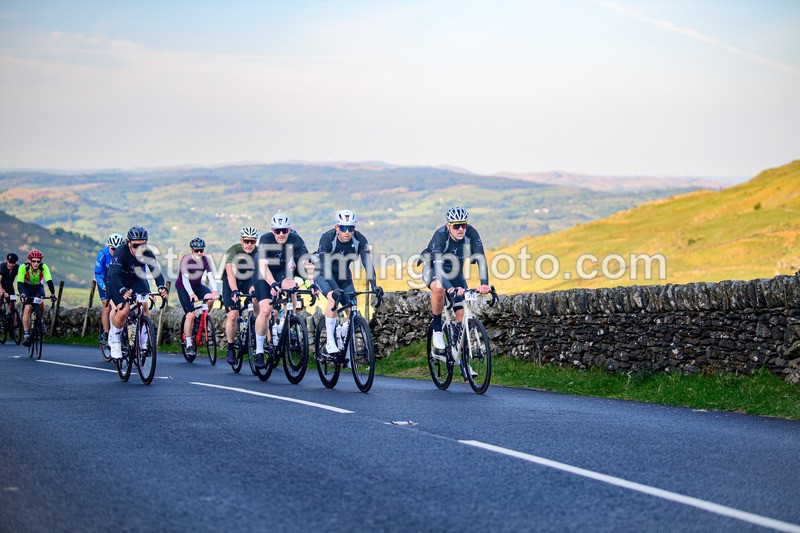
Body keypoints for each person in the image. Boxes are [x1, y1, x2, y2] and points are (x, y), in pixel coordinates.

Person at [420, 206, 490, 357]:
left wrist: (484, 283)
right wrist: (450, 289)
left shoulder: (471, 233)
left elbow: (480, 259)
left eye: (463, 225)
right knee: (439, 288)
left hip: (456, 274)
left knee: (463, 319)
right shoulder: (440, 236)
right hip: (433, 270)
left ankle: (463, 361)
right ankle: (438, 330)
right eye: (456, 226)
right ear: (448, 226)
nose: (460, 229)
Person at [314, 209, 383, 356]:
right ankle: (330, 342)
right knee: (333, 298)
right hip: (322, 274)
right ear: (336, 228)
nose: (347, 232)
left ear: (354, 229)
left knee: (351, 309)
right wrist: (334, 289)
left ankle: (344, 339)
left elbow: (367, 263)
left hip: (343, 275)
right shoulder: (327, 238)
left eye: (350, 228)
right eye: (343, 228)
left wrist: (375, 285)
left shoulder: (360, 240)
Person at [251, 214, 316, 367]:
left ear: (289, 229)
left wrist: (312, 284)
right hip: (263, 273)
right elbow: (263, 266)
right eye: (277, 230)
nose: (281, 234)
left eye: (284, 231)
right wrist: (273, 284)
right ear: (272, 230)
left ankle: (289, 321)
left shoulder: (296, 239)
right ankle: (259, 351)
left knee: (291, 286)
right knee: (266, 310)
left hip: (281, 270)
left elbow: (307, 262)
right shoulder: (266, 239)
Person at [106, 226, 169, 360]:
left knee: (144, 306)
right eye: (135, 245)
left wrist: (161, 287)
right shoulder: (121, 251)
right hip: (117, 281)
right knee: (124, 310)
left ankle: (143, 341)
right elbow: (115, 275)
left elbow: (156, 271)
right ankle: (115, 339)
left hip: (136, 279)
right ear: (129, 243)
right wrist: (122, 290)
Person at [176, 237, 219, 358]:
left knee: (210, 298)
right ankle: (189, 343)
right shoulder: (186, 260)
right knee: (190, 314)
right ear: (191, 250)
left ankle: (201, 320)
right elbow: (185, 280)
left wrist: (215, 291)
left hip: (197, 286)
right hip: (184, 288)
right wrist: (191, 294)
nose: (199, 253)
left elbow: (210, 276)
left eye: (201, 250)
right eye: (197, 250)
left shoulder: (205, 260)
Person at [222, 227, 259, 365]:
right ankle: (231, 347)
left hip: (248, 281)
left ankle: (255, 324)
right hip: (232, 281)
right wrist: (234, 291)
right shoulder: (234, 250)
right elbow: (230, 273)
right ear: (241, 241)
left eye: (252, 242)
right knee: (232, 316)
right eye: (247, 241)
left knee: (256, 296)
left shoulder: (258, 252)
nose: (249, 244)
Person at [15, 250, 57, 346]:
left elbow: (49, 281)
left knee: (41, 302)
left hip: (38, 287)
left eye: (38, 261)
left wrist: (53, 294)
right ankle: (26, 334)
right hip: (26, 288)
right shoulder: (23, 267)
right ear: (29, 260)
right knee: (27, 308)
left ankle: (40, 321)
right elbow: (20, 283)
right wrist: (22, 294)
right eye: (34, 261)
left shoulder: (43, 267)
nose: (36, 263)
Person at [95, 233, 125, 345]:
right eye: (113, 249)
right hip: (103, 281)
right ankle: (107, 334)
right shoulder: (102, 254)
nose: (115, 251)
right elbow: (97, 274)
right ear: (109, 247)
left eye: (117, 249)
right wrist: (104, 288)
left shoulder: (123, 254)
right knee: (107, 306)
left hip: (117, 282)